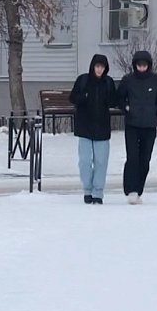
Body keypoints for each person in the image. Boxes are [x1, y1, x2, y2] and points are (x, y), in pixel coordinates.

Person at [116, 50, 157, 205]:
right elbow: (119, 97)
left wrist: (156, 110)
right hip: (132, 124)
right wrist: (126, 107)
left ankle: (139, 189)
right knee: (132, 158)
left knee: (145, 159)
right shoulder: (128, 80)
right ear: (135, 65)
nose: (141, 67)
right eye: (139, 65)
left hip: (149, 125)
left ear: (149, 65)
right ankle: (131, 189)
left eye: (144, 65)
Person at [69, 54, 117, 205]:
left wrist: (111, 100)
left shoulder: (108, 82)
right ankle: (87, 190)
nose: (99, 69)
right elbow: (72, 97)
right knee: (84, 161)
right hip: (84, 126)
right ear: (92, 67)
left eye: (102, 67)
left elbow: (114, 100)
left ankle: (98, 192)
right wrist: (84, 96)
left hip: (102, 127)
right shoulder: (83, 80)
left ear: (105, 68)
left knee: (101, 161)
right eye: (97, 66)